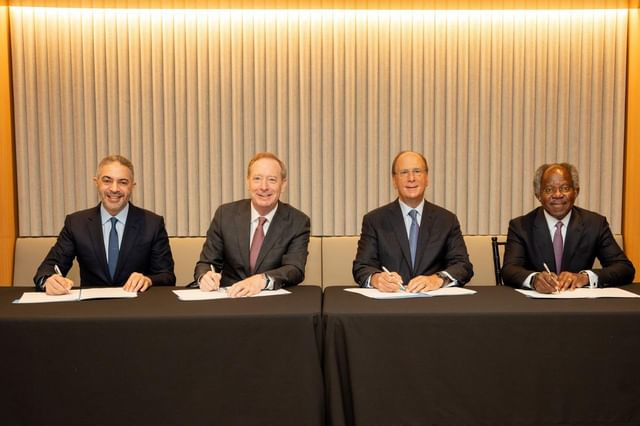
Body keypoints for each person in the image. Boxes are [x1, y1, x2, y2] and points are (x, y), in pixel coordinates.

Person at [34, 155, 176, 294]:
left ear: (132, 186)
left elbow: (167, 276)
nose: (114, 189)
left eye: (123, 182)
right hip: (91, 306)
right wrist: (48, 280)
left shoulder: (152, 224)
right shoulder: (76, 223)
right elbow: (47, 269)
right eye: (107, 181)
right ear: (97, 183)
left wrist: (148, 280)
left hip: (137, 305)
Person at [502, 163, 635, 293]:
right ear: (538, 195)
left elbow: (624, 268)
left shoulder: (595, 224)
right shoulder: (521, 226)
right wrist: (534, 280)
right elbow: (509, 270)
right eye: (549, 190)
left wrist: (584, 277)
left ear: (576, 192)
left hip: (580, 303)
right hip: (535, 303)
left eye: (565, 188)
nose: (557, 195)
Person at [352, 150, 473, 292]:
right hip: (390, 301)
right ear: (394, 181)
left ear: (426, 178)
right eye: (404, 172)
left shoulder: (447, 220)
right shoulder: (374, 220)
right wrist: (377, 279)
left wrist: (437, 279)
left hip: (434, 301)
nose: (411, 178)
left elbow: (463, 266)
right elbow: (362, 267)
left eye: (417, 171)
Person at [194, 152, 310, 297]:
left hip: (272, 300)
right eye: (257, 179)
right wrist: (205, 276)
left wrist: (262, 280)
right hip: (229, 298)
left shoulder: (298, 221)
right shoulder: (225, 215)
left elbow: (295, 269)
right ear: (248, 182)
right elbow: (206, 263)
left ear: (283, 185)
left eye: (272, 180)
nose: (264, 187)